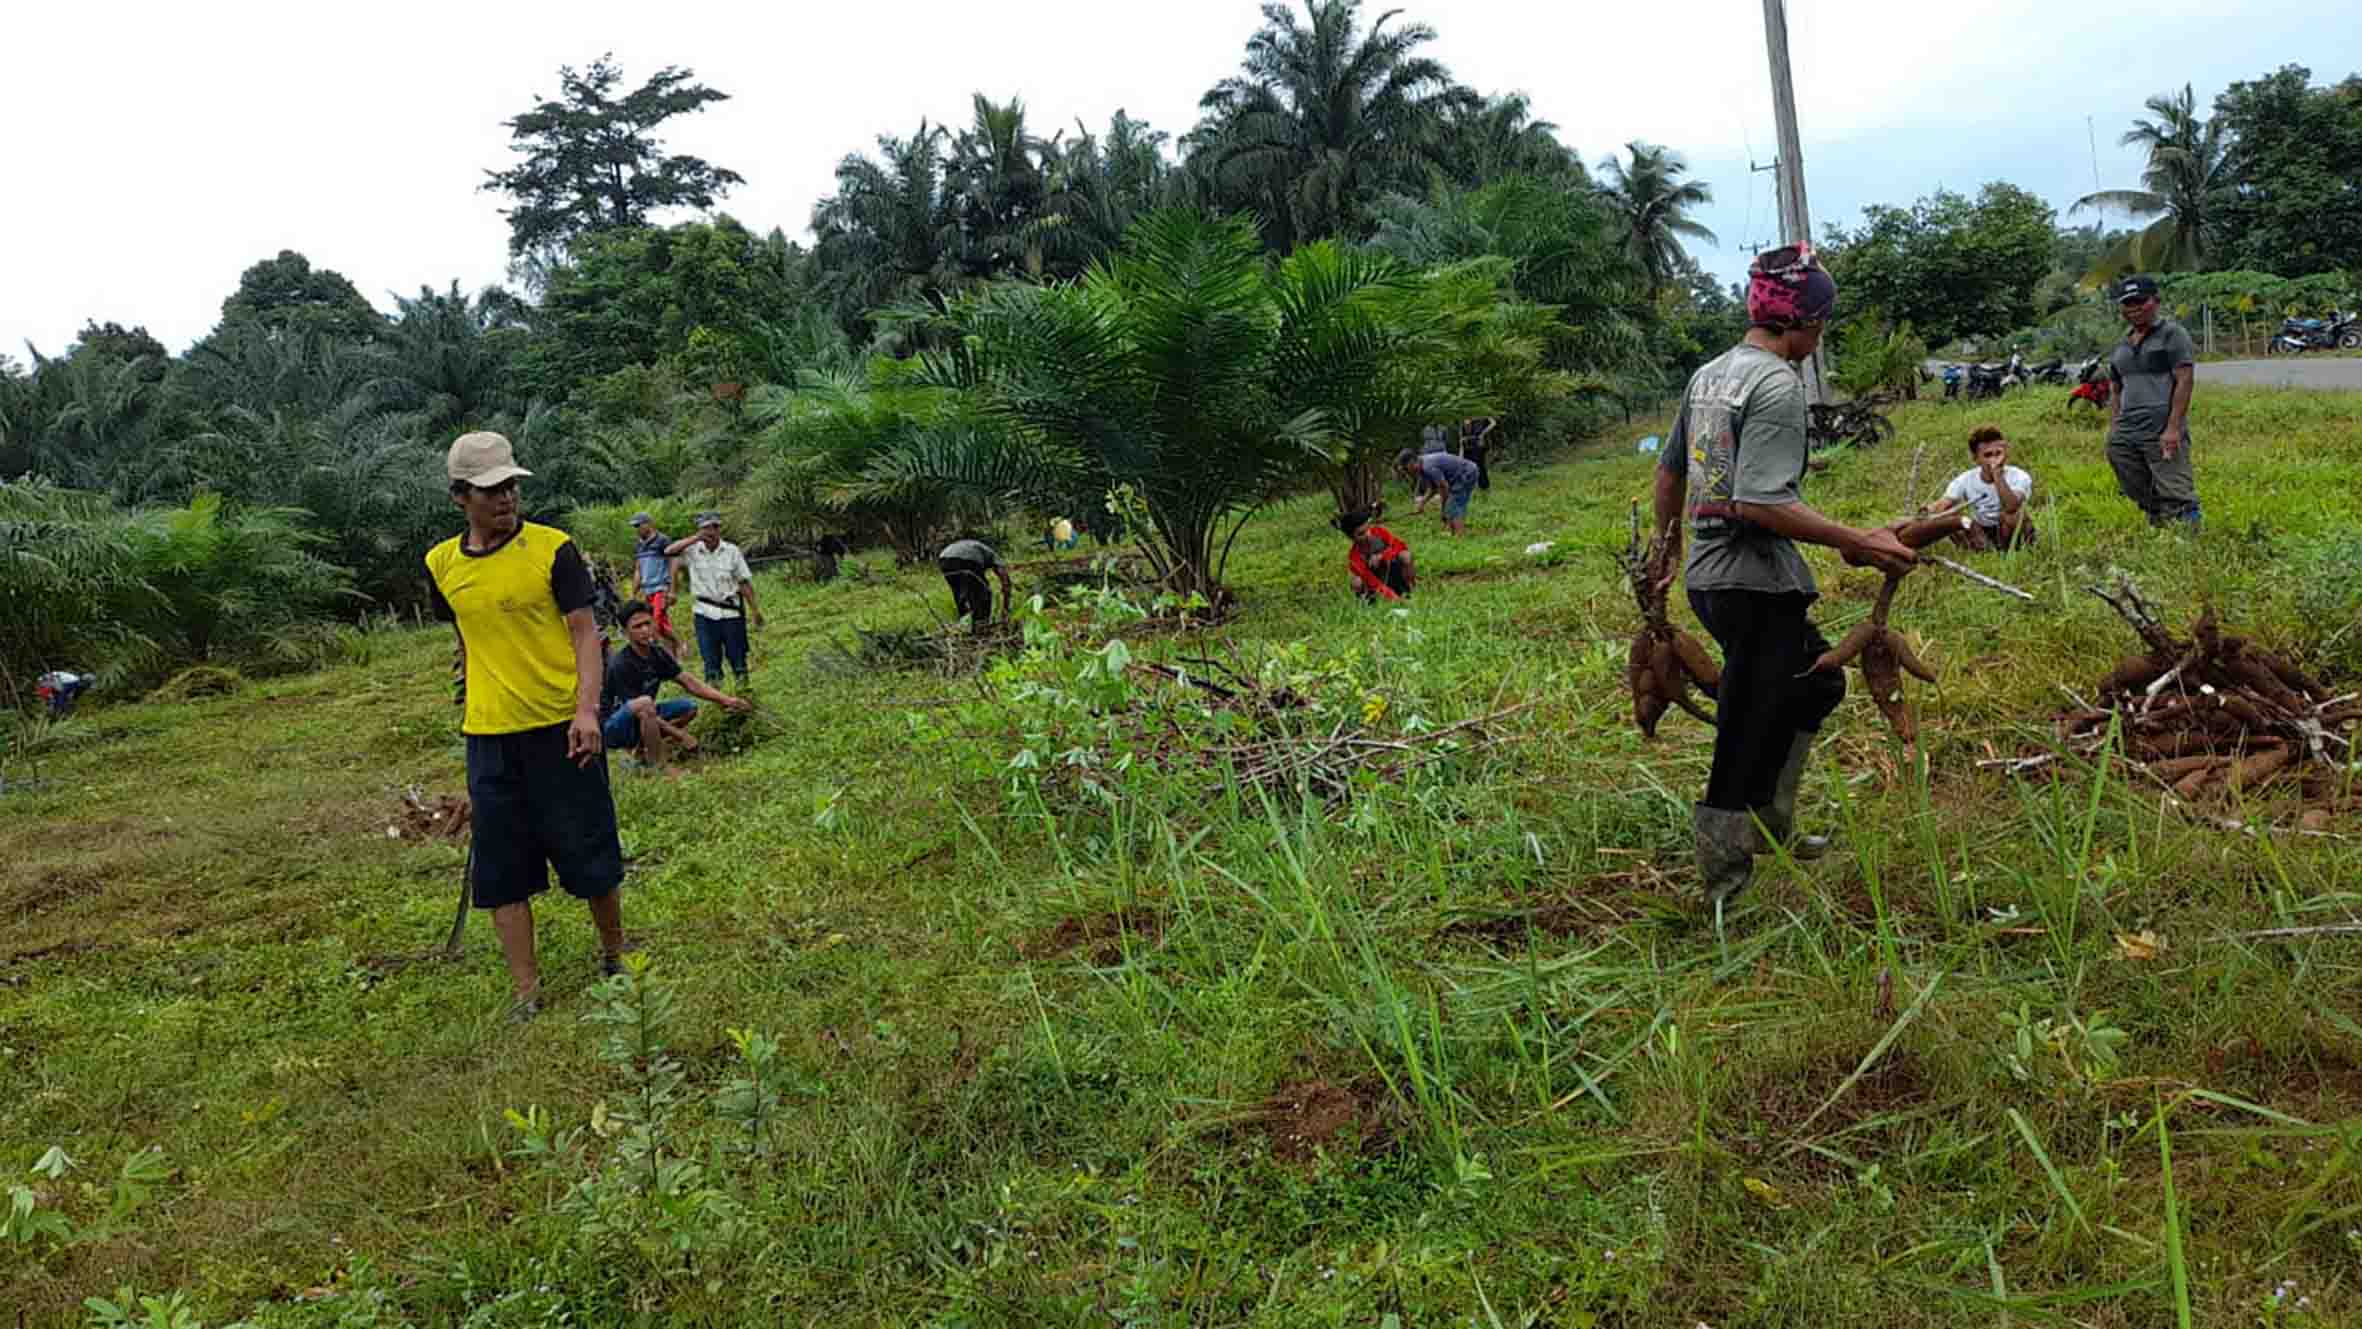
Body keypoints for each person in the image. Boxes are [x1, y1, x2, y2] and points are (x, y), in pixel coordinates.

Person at [1650, 245, 1916, 908]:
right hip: (1750, 582)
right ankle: (1722, 884)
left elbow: (1669, 472)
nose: (1820, 335)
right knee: (1748, 721)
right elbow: (1759, 503)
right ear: (1806, 322)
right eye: (1821, 323)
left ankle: (1772, 820)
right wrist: (1858, 542)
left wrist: (1668, 544)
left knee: (1818, 682)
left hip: (1717, 577)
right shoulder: (1776, 386)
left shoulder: (1710, 374)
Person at [424, 430, 627, 1018]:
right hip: (489, 736)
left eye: (511, 485)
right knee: (501, 867)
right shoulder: (441, 565)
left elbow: (586, 632)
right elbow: (465, 636)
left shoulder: (552, 549)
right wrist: (475, 690)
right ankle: (525, 991)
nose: (506, 497)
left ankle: (614, 953)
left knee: (588, 847)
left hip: (561, 727)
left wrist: (587, 709)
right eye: (491, 489)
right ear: (461, 496)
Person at [602, 600, 750, 778]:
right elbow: (638, 710)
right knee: (645, 703)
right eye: (637, 626)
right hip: (614, 727)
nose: (644, 630)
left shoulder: (657, 653)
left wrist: (726, 700)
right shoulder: (621, 664)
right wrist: (680, 735)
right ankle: (659, 766)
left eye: (647, 623)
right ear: (625, 632)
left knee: (688, 707)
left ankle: (643, 751)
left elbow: (688, 682)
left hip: (644, 716)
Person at [2105, 274, 2201, 529]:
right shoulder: (2121, 345)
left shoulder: (2172, 334)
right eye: (2127, 303)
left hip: (2160, 424)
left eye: (2140, 301)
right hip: (2128, 426)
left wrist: (2173, 427)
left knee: (2175, 484)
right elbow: (2116, 388)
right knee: (2124, 466)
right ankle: (2159, 517)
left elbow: (2185, 379)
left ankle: (2188, 532)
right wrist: (2114, 425)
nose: (2133, 308)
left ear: (2155, 301)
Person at [665, 513, 762, 689]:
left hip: (731, 611)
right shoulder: (692, 550)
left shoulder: (732, 551)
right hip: (704, 612)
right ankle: (717, 698)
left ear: (719, 529)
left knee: (738, 657)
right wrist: (695, 538)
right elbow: (669, 551)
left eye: (712, 527)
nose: (709, 532)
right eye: (704, 528)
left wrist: (755, 610)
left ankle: (743, 691)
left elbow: (744, 582)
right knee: (710, 659)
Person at [1925, 426, 2035, 551]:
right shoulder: (1965, 479)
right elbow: (1945, 503)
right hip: (1981, 529)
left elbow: (2012, 506)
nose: (1994, 459)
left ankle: (2009, 552)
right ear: (1975, 459)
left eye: (1998, 453)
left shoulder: (2019, 476)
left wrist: (1997, 474)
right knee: (1947, 515)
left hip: (2011, 530)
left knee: (2012, 514)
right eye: (1988, 455)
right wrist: (1930, 509)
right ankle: (1980, 550)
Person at [1335, 507, 1414, 601]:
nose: (1368, 534)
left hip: (1395, 572)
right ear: (1352, 538)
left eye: (1368, 529)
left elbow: (1399, 546)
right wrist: (1394, 598)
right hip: (1378, 586)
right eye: (1361, 534)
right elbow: (1372, 581)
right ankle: (1368, 602)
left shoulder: (1379, 532)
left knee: (1405, 555)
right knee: (1356, 582)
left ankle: (1410, 589)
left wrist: (1382, 556)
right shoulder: (1354, 557)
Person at [1398, 447, 1481, 537]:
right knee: (1452, 504)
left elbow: (1443, 487)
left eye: (1406, 468)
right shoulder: (1423, 467)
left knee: (1455, 505)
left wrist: (1443, 509)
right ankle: (1453, 532)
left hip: (1467, 473)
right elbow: (1432, 488)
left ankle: (1460, 535)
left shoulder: (1428, 467)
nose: (1407, 472)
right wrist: (1422, 503)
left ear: (1411, 462)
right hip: (1460, 476)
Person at [627, 513, 681, 647]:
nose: (637, 529)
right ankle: (676, 647)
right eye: (635, 526)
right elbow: (638, 569)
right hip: (647, 590)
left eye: (639, 525)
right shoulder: (639, 545)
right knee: (661, 625)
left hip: (661, 588)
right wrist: (633, 592)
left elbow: (673, 565)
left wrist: (672, 590)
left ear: (649, 524)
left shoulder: (662, 541)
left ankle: (662, 651)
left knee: (654, 622)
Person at [938, 535, 1014, 628]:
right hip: (969, 559)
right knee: (984, 593)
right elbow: (1005, 580)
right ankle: (981, 623)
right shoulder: (993, 555)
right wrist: (1006, 607)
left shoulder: (980, 548)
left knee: (959, 592)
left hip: (944, 559)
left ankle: (964, 622)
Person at [1459, 415, 1499, 490]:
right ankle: (1473, 485)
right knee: (1471, 465)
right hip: (1470, 443)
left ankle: (1483, 486)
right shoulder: (1469, 415)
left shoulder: (1483, 414)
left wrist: (1483, 433)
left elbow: (1493, 423)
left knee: (1479, 465)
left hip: (1477, 444)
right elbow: (1464, 429)